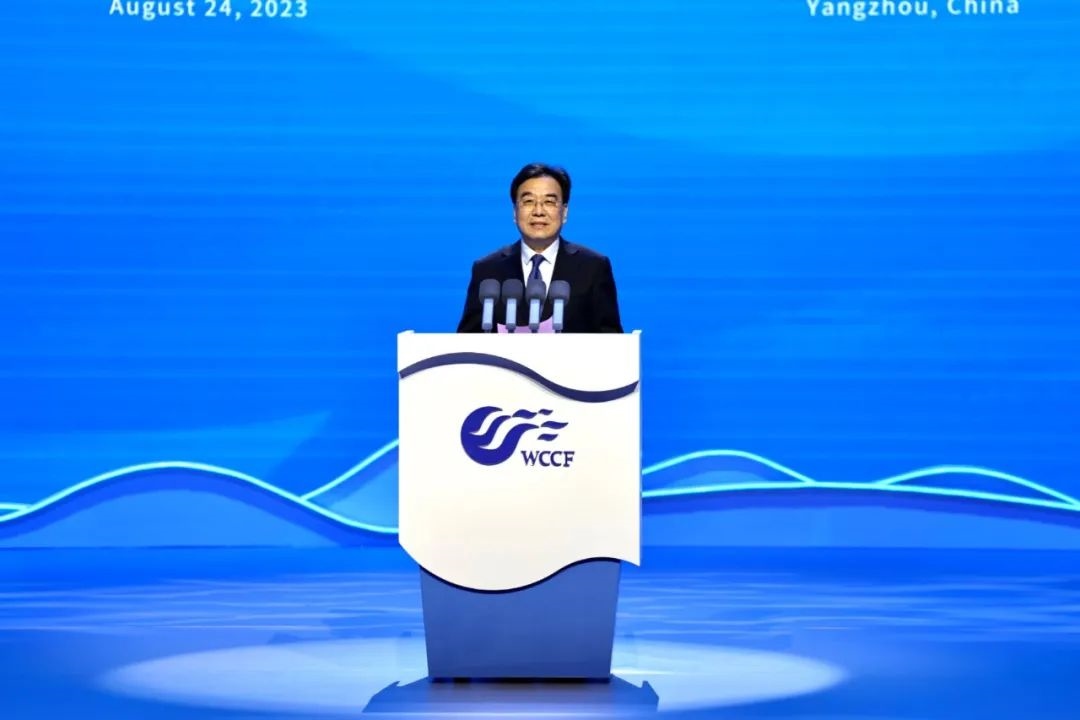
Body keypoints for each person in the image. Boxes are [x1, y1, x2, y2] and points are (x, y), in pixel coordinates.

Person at [456, 163, 624, 333]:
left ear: (564, 212)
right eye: (528, 201)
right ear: (515, 212)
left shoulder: (593, 267)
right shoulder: (487, 270)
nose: (538, 211)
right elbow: (467, 339)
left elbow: (611, 338)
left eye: (549, 202)